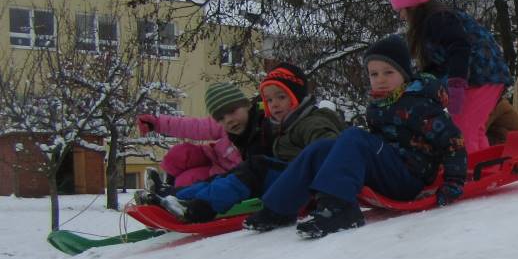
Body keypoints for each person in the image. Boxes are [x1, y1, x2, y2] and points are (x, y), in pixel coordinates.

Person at [242, 35, 468, 239]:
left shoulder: (419, 104)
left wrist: (454, 183)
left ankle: (340, 208)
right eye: (374, 74)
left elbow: (453, 140)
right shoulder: (378, 106)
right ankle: (279, 209)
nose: (380, 79)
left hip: (409, 178)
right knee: (322, 148)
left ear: (404, 74)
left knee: (354, 137)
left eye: (388, 72)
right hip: (388, 171)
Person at [147, 63, 344, 222]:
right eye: (269, 100)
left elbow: (330, 153)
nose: (274, 104)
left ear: (297, 96)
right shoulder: (286, 123)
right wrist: (156, 124)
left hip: (298, 185)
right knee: (233, 174)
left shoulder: (310, 122)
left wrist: (325, 197)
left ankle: (200, 207)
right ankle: (176, 197)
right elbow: (193, 126)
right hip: (285, 179)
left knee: (252, 168)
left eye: (281, 97)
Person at [389, 0, 513, 159]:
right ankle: (487, 167)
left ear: (412, 6)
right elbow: (438, 63)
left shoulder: (438, 19)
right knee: (474, 128)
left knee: (463, 129)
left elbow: (459, 47)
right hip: (484, 76)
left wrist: (456, 84)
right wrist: (419, 84)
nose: (401, 16)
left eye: (401, 10)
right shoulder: (434, 21)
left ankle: (468, 169)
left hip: (483, 75)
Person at [135, 81, 269, 194]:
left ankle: (177, 196)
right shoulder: (222, 127)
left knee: (187, 180)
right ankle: (167, 187)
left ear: (247, 106)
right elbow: (192, 127)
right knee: (180, 153)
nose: (228, 120)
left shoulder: (262, 130)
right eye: (221, 118)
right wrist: (157, 124)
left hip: (228, 175)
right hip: (214, 158)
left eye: (232, 111)